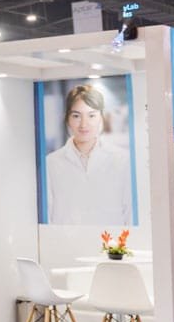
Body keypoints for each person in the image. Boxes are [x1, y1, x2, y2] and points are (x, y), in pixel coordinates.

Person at [44, 83, 133, 225]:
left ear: (101, 118)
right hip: (66, 238)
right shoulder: (50, 163)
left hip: (111, 239)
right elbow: (48, 215)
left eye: (91, 115)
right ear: (67, 119)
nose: (83, 124)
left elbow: (130, 214)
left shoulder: (122, 160)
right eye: (76, 116)